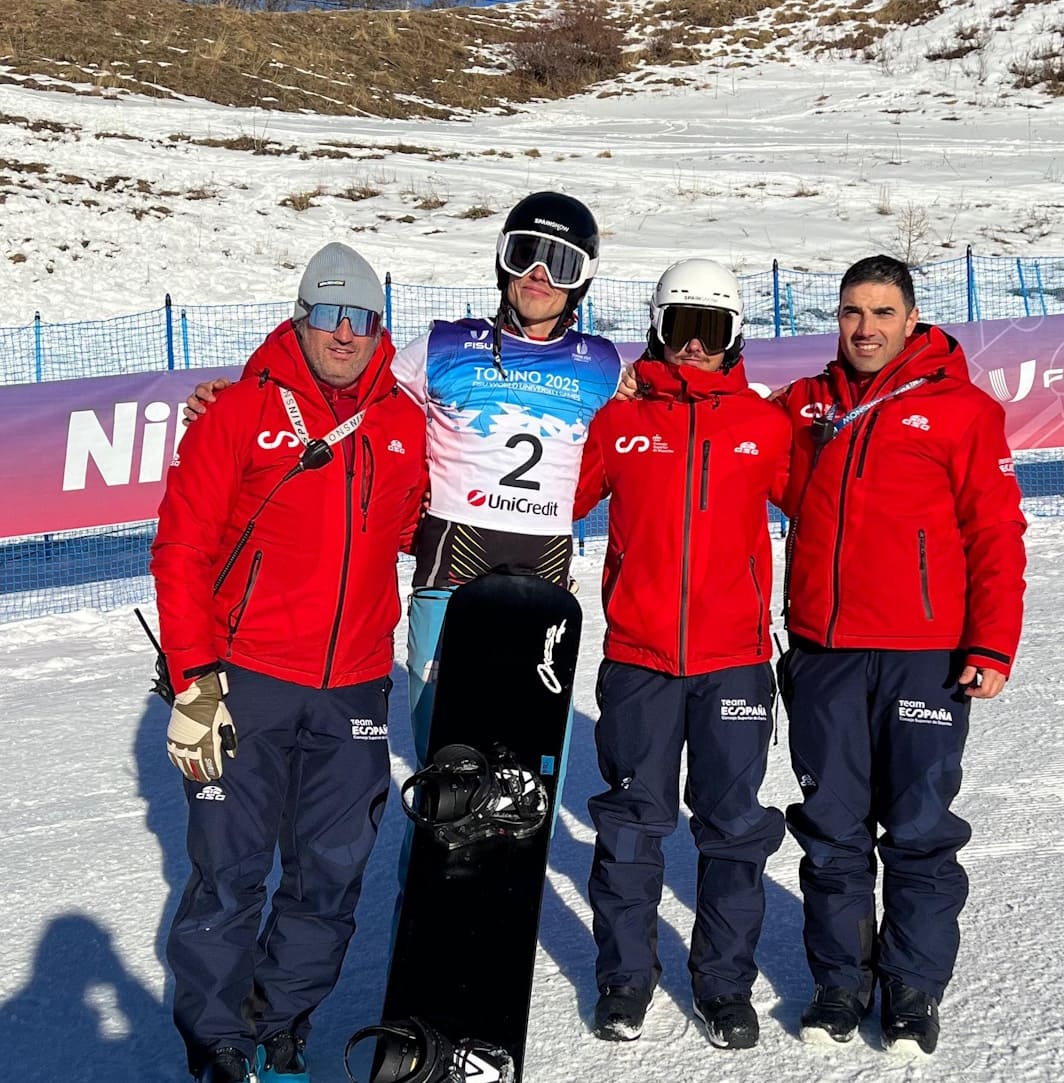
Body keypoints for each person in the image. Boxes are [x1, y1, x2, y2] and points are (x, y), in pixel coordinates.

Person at [184, 192, 622, 767]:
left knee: (526, 773)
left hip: (544, 586)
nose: (538, 275)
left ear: (582, 280)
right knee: (446, 768)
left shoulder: (606, 364)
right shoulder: (440, 346)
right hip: (451, 580)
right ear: (501, 261)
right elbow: (340, 393)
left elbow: (633, 438)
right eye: (524, 256)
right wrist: (245, 395)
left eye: (559, 263)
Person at [150, 243, 428, 1083]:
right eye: (329, 312)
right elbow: (182, 548)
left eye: (362, 317)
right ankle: (218, 1041)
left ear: (379, 327)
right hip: (247, 677)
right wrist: (195, 679)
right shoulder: (239, 412)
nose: (345, 332)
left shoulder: (402, 421)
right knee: (228, 874)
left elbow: (421, 527)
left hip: (354, 686)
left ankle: (279, 1023)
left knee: (331, 876)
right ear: (302, 316)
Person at [773, 255, 1027, 1055]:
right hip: (825, 653)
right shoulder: (805, 404)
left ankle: (913, 991)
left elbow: (995, 535)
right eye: (853, 311)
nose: (866, 327)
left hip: (926, 655)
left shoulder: (963, 410)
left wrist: (991, 641)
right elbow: (725, 432)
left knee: (918, 827)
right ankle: (840, 986)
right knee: (832, 827)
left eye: (883, 312)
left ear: (912, 320)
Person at [573, 259, 792, 1051]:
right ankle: (626, 977)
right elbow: (554, 498)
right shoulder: (618, 422)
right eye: (679, 329)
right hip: (639, 658)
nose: (695, 347)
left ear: (734, 337)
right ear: (657, 330)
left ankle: (724, 982)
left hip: (734, 659)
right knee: (633, 825)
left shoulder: (765, 426)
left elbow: (833, 502)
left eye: (712, 331)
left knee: (733, 827)